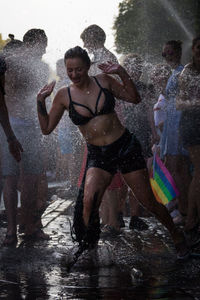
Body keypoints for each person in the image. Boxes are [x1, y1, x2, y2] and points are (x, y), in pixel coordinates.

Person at [37, 46, 189, 259]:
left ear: (87, 67)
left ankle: (176, 235)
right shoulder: (63, 95)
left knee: (148, 201)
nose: (74, 74)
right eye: (70, 70)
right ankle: (90, 250)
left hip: (125, 147)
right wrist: (39, 102)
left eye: (78, 69)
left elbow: (134, 98)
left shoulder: (104, 81)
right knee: (88, 200)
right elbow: (46, 128)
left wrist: (121, 72)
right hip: (98, 155)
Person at [1, 29, 49, 246]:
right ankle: (13, 229)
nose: (45, 49)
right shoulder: (9, 63)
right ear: (30, 45)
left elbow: (40, 100)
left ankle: (28, 225)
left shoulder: (38, 66)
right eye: (42, 45)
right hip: (10, 127)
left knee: (30, 179)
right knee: (12, 179)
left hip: (30, 127)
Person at [80, 24, 125, 234]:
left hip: (104, 120)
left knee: (105, 170)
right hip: (105, 117)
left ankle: (112, 221)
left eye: (85, 41)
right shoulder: (106, 55)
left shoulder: (101, 57)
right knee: (104, 170)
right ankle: (109, 219)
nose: (83, 45)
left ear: (92, 39)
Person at [161, 40, 191, 225]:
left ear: (179, 53)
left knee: (179, 167)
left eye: (170, 53)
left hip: (179, 122)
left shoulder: (182, 72)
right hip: (172, 122)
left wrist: (181, 128)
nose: (166, 57)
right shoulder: (175, 72)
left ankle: (185, 210)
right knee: (174, 166)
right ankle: (179, 207)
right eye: (164, 54)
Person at [177, 35, 200, 243]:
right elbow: (179, 103)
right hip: (192, 124)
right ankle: (192, 219)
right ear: (193, 49)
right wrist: (197, 103)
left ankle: (192, 218)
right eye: (199, 48)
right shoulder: (188, 72)